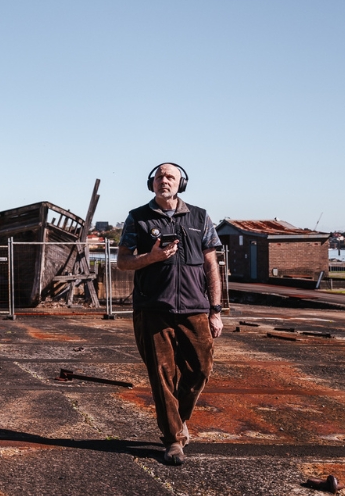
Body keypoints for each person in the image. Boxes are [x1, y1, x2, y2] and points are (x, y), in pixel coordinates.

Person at [116, 162, 223, 466]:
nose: (165, 181)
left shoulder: (200, 217)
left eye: (171, 177)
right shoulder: (137, 218)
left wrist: (216, 310)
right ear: (152, 183)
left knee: (200, 370)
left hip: (195, 308)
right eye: (160, 177)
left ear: (181, 184)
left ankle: (177, 420)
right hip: (153, 308)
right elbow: (123, 262)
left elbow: (211, 266)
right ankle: (173, 440)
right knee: (162, 375)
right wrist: (151, 257)